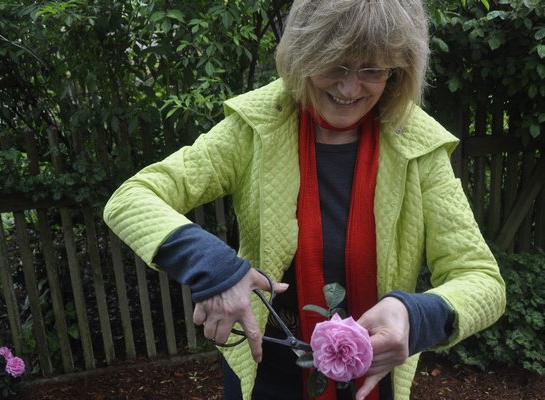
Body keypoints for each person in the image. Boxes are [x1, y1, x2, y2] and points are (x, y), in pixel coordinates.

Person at [103, 1, 506, 399]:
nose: (350, 88)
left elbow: (482, 279)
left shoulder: (418, 147)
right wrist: (216, 268)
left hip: (373, 375)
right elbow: (132, 198)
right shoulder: (257, 127)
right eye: (336, 66)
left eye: (372, 70)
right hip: (265, 373)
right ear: (303, 56)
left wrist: (413, 315)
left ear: (397, 70)